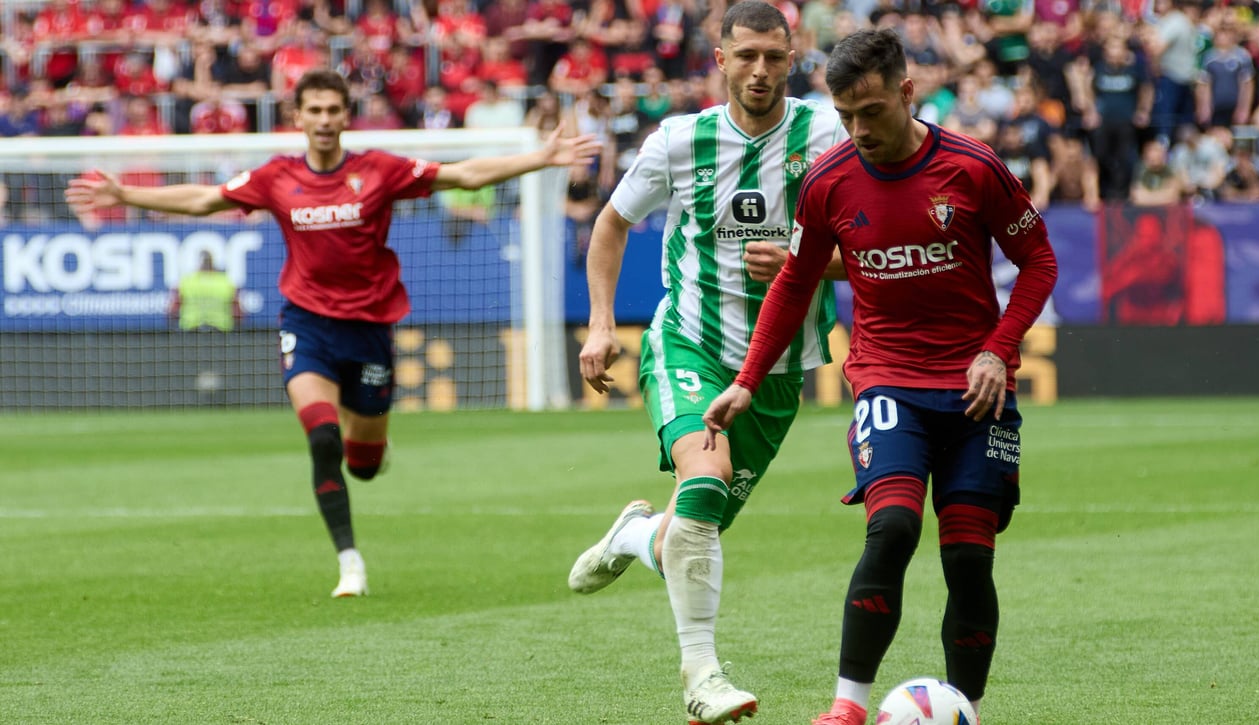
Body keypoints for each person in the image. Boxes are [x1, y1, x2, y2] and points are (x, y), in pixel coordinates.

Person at [66, 69, 600, 599]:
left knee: (364, 466)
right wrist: (125, 195)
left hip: (369, 331)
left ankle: (371, 448)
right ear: (298, 117)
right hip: (307, 325)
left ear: (346, 115)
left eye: (332, 110)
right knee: (322, 438)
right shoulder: (276, 177)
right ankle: (350, 564)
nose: (323, 120)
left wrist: (540, 157)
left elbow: (462, 176)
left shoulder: (379, 171)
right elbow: (205, 200)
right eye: (313, 110)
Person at [701, 28, 1058, 725]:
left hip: (977, 391)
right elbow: (796, 282)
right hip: (888, 379)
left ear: (906, 92)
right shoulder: (829, 181)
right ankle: (848, 706)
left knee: (967, 555)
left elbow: (1039, 261)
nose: (858, 129)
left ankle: (967, 710)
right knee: (891, 526)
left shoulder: (973, 166)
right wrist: (748, 377)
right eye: (845, 115)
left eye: (871, 111)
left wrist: (998, 349)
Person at [566, 3, 847, 723]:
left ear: (795, 59)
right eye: (746, 55)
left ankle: (633, 534)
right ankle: (702, 674)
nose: (760, 71)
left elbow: (865, 250)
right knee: (706, 475)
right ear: (719, 59)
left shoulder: (826, 135)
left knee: (695, 525)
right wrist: (601, 324)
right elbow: (611, 225)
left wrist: (812, 266)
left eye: (774, 58)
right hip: (689, 340)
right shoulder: (679, 141)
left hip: (779, 367)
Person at [170, 250, 241, 331]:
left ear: (199, 263)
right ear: (212, 262)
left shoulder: (187, 282)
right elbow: (238, 313)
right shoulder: (225, 282)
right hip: (220, 333)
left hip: (191, 331)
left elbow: (173, 311)